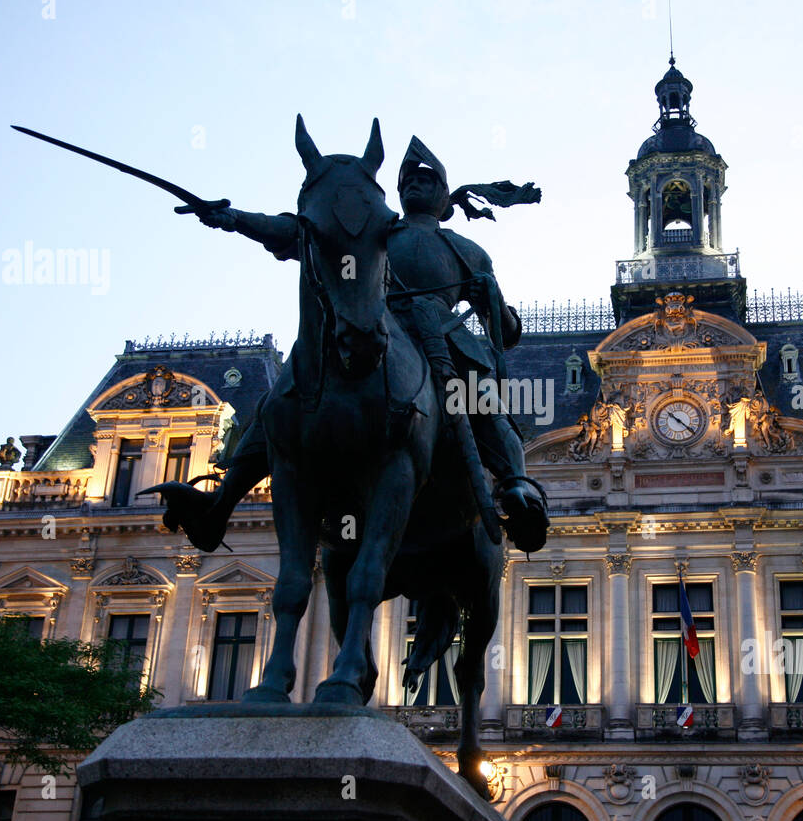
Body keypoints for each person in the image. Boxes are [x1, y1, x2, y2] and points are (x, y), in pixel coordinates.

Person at [163, 136, 548, 553]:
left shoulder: (468, 250)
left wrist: (491, 295)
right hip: (374, 333)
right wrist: (235, 218)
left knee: (483, 402)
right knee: (287, 392)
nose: (415, 185)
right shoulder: (375, 231)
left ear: (443, 194)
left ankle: (517, 487)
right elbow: (302, 231)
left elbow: (505, 334)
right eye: (408, 181)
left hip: (444, 343)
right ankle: (220, 501)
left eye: (426, 179)